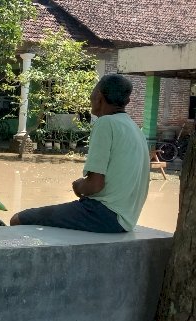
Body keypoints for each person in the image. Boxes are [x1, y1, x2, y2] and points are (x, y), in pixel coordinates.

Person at [10, 74, 150, 233]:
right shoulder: (135, 129)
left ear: (98, 97)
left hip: (104, 214)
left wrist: (78, 186)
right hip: (127, 219)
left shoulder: (105, 123)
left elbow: (95, 185)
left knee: (18, 219)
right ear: (127, 102)